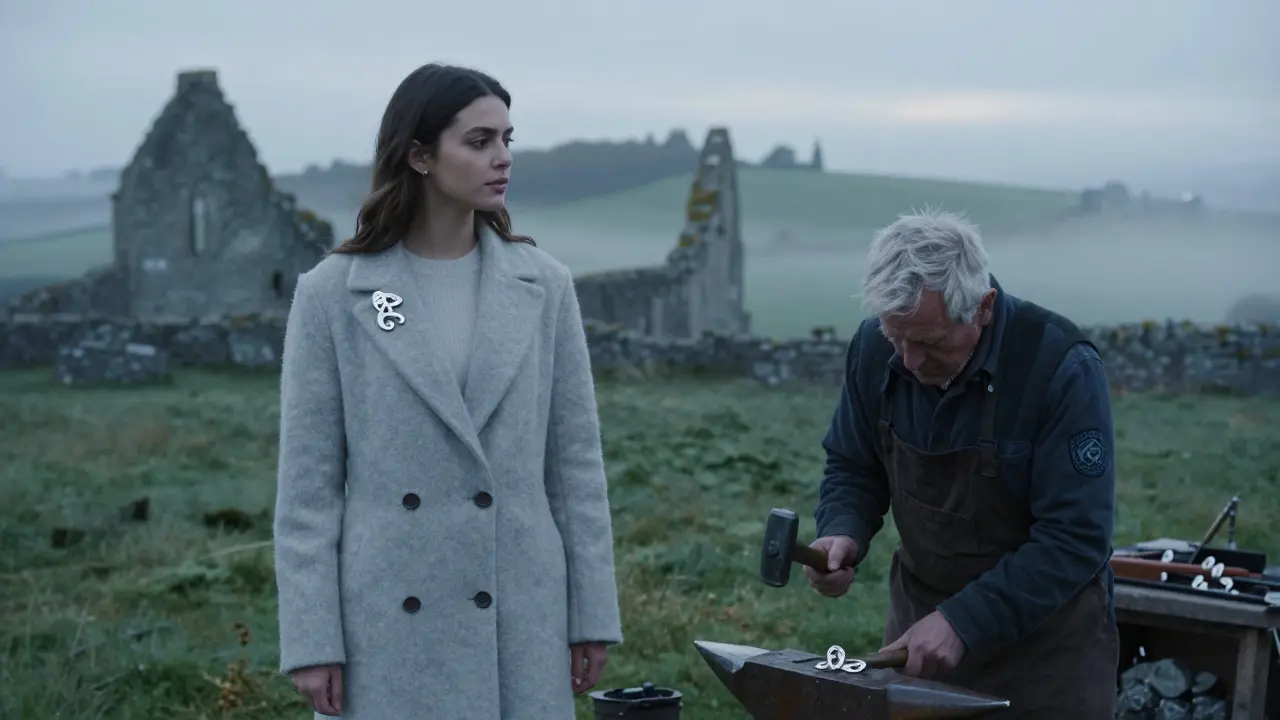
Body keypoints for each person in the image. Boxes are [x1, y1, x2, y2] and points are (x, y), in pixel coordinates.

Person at [272, 63, 623, 719]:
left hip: (521, 613)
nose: (503, 157)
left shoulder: (544, 286)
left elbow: (575, 467)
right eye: (479, 141)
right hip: (385, 621)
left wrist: (591, 614)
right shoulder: (333, 294)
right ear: (419, 155)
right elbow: (307, 491)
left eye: (507, 139)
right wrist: (312, 640)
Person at [804, 210, 1118, 718]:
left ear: (983, 307)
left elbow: (1076, 536)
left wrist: (963, 622)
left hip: (1045, 656)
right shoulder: (873, 350)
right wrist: (842, 530)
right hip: (916, 642)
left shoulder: (1059, 368)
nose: (909, 362)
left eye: (930, 343)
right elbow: (853, 464)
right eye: (896, 338)